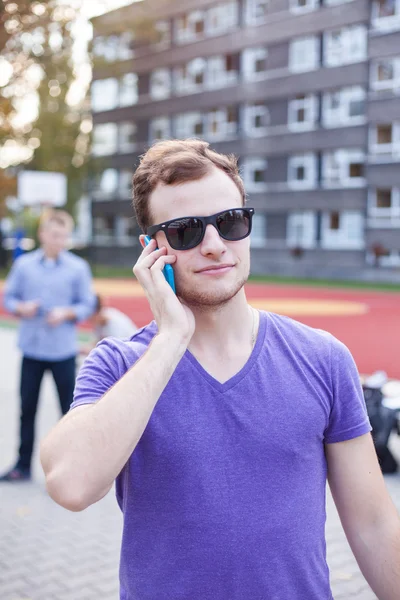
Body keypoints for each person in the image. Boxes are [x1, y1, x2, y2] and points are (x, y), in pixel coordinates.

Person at [40, 140, 400, 600]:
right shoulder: (122, 364)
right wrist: (171, 338)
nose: (214, 246)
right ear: (151, 249)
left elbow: (372, 524)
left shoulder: (323, 359)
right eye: (186, 231)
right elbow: (71, 484)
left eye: (230, 222)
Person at [0, 209, 95, 482]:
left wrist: (66, 313)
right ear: (43, 234)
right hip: (31, 349)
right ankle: (22, 466)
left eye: (64, 236)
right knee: (26, 409)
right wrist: (22, 307)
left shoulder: (78, 268)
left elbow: (87, 304)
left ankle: (71, 469)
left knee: (69, 411)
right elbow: (9, 299)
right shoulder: (24, 265)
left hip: (63, 351)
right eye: (55, 235)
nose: (60, 240)